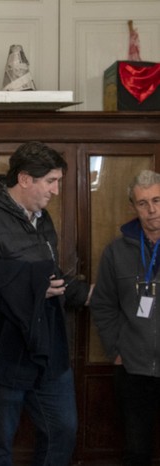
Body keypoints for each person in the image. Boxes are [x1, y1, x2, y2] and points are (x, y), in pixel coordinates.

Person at [0, 141, 91, 465]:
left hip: (44, 345)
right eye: (51, 181)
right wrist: (30, 290)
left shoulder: (42, 219)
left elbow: (46, 276)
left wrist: (85, 293)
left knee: (62, 429)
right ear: (24, 179)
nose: (56, 191)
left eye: (57, 181)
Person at [90, 169, 160, 466]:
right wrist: (116, 350)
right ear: (133, 206)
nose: (152, 210)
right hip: (133, 368)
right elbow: (103, 304)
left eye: (157, 200)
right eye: (143, 203)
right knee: (137, 450)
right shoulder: (116, 251)